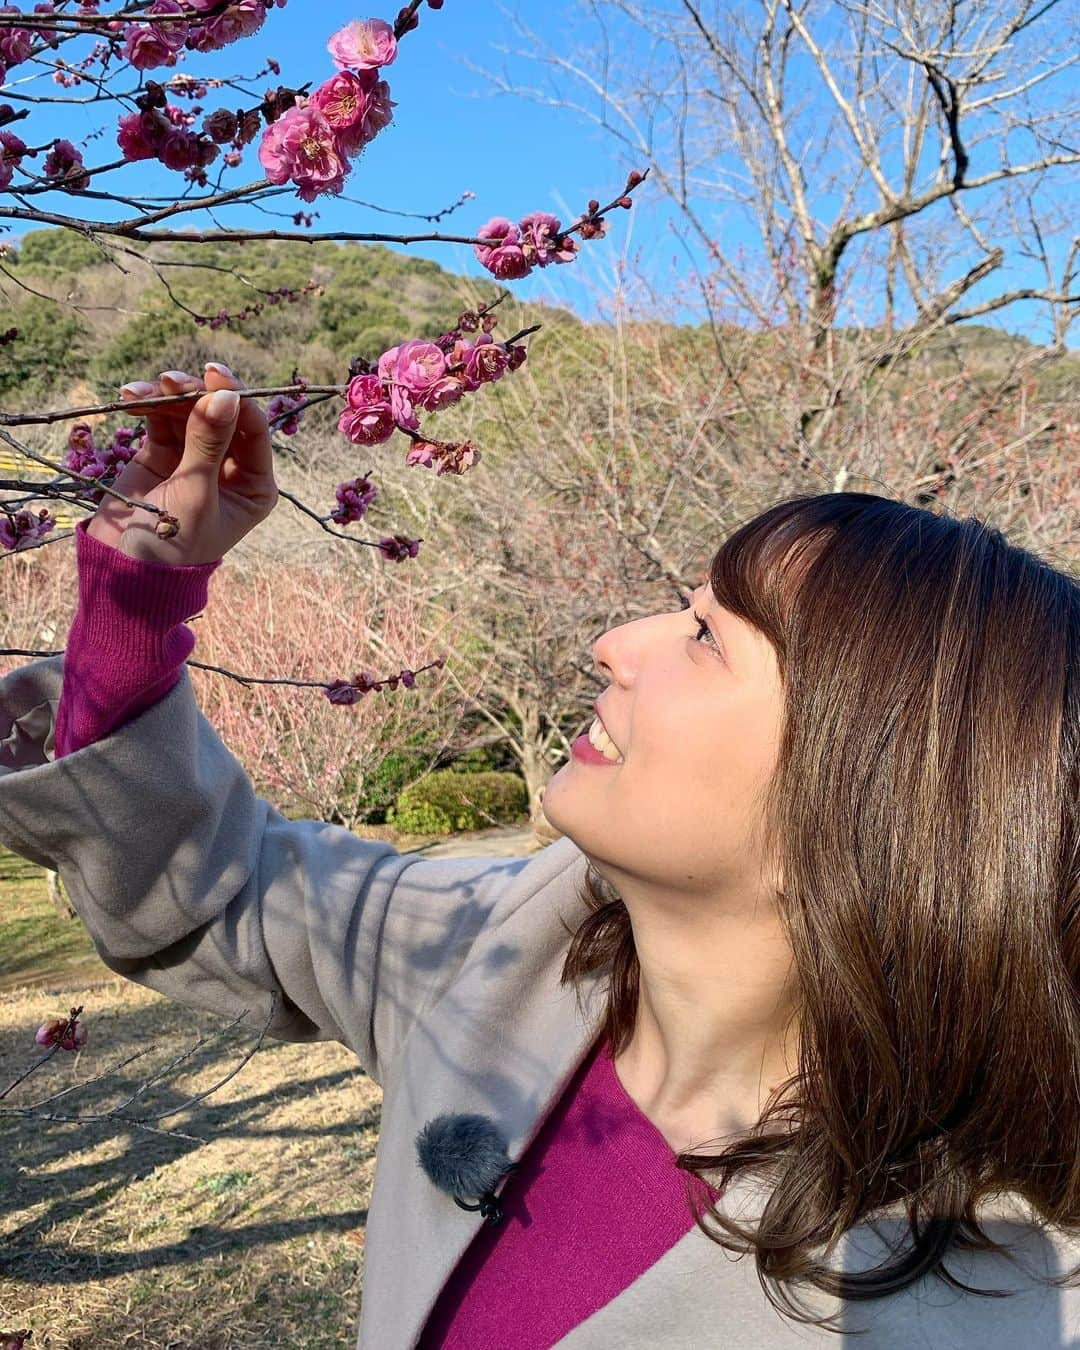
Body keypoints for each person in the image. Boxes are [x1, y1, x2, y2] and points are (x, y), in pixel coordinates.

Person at [1, 362, 1079, 1350]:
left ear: (869, 805)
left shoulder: (1011, 1306)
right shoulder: (506, 948)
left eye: (706, 636)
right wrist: (138, 586)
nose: (616, 642)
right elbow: (216, 887)